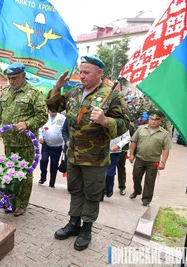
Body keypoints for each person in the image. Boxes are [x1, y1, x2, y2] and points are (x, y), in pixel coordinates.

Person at [47, 56, 129, 251]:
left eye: (86, 72)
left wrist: (104, 121)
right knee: (75, 190)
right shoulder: (75, 93)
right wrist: (57, 87)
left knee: (91, 194)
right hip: (74, 154)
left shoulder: (112, 95)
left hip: (95, 157)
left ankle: (86, 229)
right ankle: (73, 223)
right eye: (80, 71)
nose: (81, 76)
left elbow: (126, 124)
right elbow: (53, 107)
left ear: (99, 73)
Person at [0, 62, 48, 216]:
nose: (12, 81)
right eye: (9, 78)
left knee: (24, 173)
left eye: (15, 78)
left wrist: (28, 123)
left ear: (24, 76)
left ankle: (22, 203)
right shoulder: (5, 91)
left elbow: (43, 115)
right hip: (9, 141)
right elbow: (0, 113)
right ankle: (11, 200)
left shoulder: (34, 93)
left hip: (25, 143)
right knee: (10, 171)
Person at [129, 108, 171, 207]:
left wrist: (163, 162)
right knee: (136, 176)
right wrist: (131, 154)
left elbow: (166, 149)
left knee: (150, 180)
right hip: (140, 158)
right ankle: (137, 190)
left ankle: (146, 199)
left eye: (156, 119)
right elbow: (133, 142)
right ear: (149, 119)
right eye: (151, 119)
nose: (153, 121)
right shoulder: (140, 129)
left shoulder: (164, 134)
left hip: (153, 161)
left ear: (160, 121)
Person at [38, 110, 66, 188]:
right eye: (51, 110)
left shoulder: (62, 118)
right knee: (43, 160)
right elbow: (40, 127)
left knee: (54, 164)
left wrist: (64, 147)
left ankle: (52, 182)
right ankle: (43, 177)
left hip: (57, 146)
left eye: (54, 110)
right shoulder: (44, 117)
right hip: (46, 144)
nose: (52, 112)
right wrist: (40, 137)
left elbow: (65, 131)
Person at [101, 131, 130, 201]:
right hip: (101, 151)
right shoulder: (99, 120)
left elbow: (127, 137)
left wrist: (118, 145)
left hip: (114, 152)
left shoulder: (121, 121)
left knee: (109, 173)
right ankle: (100, 193)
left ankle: (109, 189)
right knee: (99, 172)